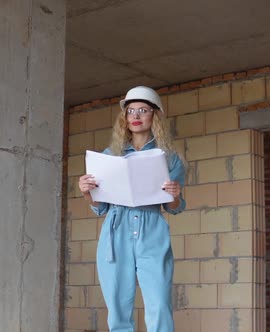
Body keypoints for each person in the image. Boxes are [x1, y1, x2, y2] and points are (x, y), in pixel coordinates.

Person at [78, 86, 186, 332]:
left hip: (152, 231)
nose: (136, 116)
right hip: (116, 232)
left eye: (143, 110)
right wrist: (87, 192)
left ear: (154, 115)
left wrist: (174, 195)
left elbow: (174, 208)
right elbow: (101, 206)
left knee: (159, 306)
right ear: (124, 118)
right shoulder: (110, 155)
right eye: (130, 111)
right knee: (117, 310)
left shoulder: (169, 158)